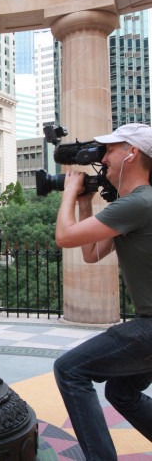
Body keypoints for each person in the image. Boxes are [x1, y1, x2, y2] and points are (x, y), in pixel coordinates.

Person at [54, 123, 152, 460]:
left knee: (69, 370)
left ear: (132, 154)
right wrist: (84, 204)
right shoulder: (134, 204)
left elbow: (65, 238)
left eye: (111, 150)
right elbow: (91, 253)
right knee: (122, 392)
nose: (104, 158)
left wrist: (69, 191)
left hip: (150, 327)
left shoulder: (139, 203)